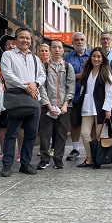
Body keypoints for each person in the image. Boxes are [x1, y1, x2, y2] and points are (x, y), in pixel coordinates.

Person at [0, 26, 46, 177]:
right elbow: (7, 74)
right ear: (16, 39)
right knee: (12, 133)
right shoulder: (8, 55)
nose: (25, 40)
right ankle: (7, 165)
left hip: (33, 99)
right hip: (16, 98)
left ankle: (25, 163)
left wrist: (36, 84)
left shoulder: (35, 58)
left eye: (28, 38)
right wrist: (26, 86)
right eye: (22, 37)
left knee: (31, 134)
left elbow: (42, 75)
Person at [37, 39, 76, 170]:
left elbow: (71, 87)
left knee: (61, 134)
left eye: (59, 47)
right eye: (54, 47)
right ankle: (44, 158)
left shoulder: (68, 67)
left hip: (64, 107)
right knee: (45, 134)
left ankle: (58, 159)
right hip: (47, 106)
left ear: (63, 50)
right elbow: (41, 87)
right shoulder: (44, 66)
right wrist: (47, 104)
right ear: (50, 50)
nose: (57, 50)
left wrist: (65, 104)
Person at [76, 47, 112, 168]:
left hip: (100, 107)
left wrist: (108, 109)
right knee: (85, 133)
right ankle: (91, 158)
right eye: (94, 56)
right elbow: (84, 88)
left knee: (100, 134)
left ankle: (100, 159)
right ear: (90, 57)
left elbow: (110, 92)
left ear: (103, 59)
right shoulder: (87, 70)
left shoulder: (105, 72)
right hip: (87, 106)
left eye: (99, 57)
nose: (96, 59)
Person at [0, 34, 24, 162]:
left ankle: (20, 153)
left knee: (21, 126)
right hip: (3, 97)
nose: (11, 46)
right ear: (4, 47)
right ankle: (4, 152)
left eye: (13, 43)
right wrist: (1, 73)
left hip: (19, 97)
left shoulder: (23, 60)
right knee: (3, 126)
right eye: (8, 44)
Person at [64, 32, 91, 161]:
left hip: (90, 96)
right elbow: (65, 76)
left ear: (85, 41)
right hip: (74, 95)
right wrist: (79, 76)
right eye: (77, 40)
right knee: (74, 123)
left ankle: (91, 149)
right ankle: (75, 149)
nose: (80, 42)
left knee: (91, 123)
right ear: (73, 42)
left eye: (82, 39)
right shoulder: (68, 57)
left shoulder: (92, 55)